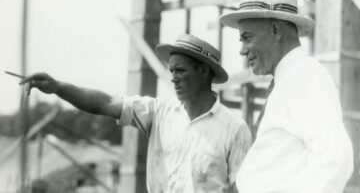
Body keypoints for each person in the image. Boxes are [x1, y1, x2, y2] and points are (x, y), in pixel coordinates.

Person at [21, 34, 252, 193]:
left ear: (203, 71)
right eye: (171, 70)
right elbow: (104, 103)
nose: (173, 77)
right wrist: (57, 87)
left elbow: (240, 188)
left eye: (180, 70)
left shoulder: (234, 128)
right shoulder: (160, 112)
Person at [220, 0, 354, 193]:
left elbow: (336, 159)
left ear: (275, 30)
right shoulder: (289, 78)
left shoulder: (305, 76)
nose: (242, 50)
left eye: (247, 38)